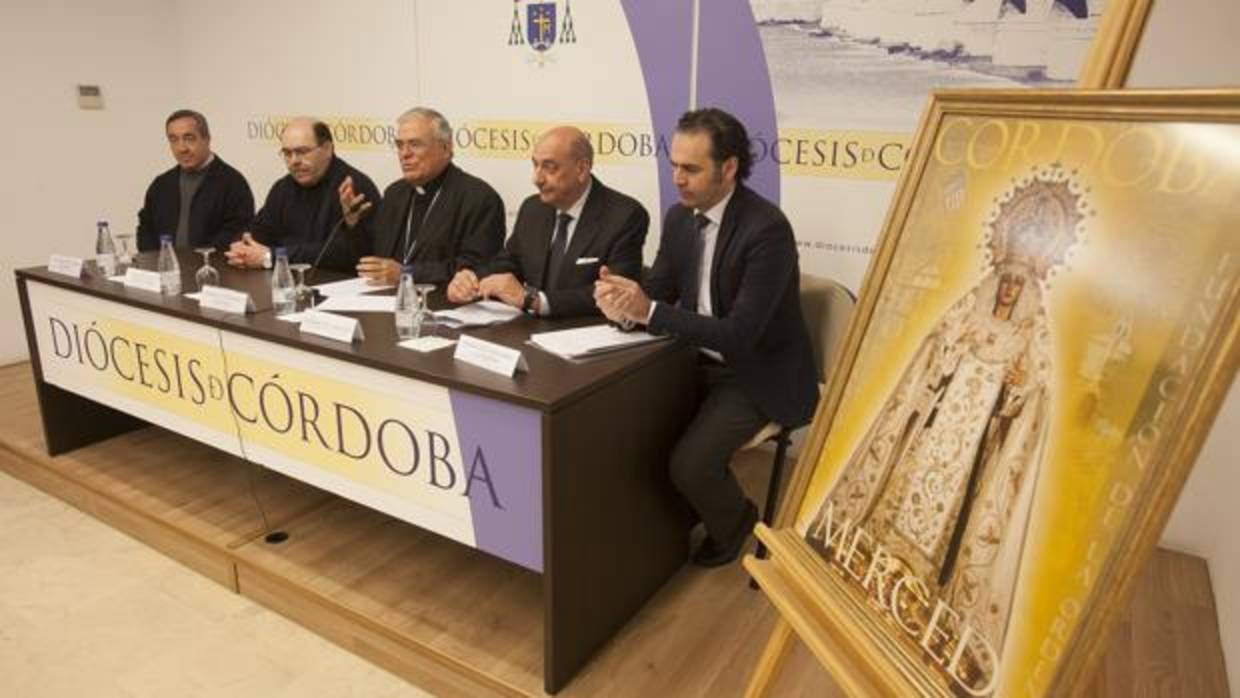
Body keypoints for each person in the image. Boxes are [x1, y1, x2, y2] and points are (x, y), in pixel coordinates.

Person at [804, 165, 1082, 675]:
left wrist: (1016, 394)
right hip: (937, 430)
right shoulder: (967, 311)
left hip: (974, 445)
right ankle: (880, 566)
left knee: (952, 517)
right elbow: (935, 352)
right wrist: (947, 362)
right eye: (1005, 281)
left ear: (1030, 286)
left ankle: (932, 597)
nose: (1007, 292)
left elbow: (1035, 397)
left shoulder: (1031, 336)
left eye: (1018, 285)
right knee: (906, 490)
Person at [594, 108, 818, 567]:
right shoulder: (680, 219)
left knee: (689, 464)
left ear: (729, 167)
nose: (677, 178)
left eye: (691, 168)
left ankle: (737, 523)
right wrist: (624, 305)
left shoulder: (767, 230)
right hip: (694, 360)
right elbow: (658, 294)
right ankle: (663, 531)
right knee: (625, 429)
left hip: (756, 372)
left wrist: (649, 311)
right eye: (674, 165)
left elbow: (738, 335)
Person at [446, 126, 648, 317]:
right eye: (535, 165)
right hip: (531, 333)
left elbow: (617, 293)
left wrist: (535, 301)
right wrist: (471, 279)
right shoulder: (533, 208)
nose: (537, 178)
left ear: (581, 169)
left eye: (550, 168)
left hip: (587, 336)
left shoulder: (624, 215)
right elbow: (509, 262)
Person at [338, 107, 504, 286]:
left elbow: (476, 269)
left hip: (443, 306)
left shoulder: (479, 198)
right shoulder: (395, 193)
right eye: (400, 145)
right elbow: (373, 260)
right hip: (388, 303)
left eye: (415, 144)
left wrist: (407, 273)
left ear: (446, 148)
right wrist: (353, 225)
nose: (404, 154)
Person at [226, 118, 379, 272]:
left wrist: (271, 257)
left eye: (302, 152)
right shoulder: (283, 188)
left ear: (327, 149)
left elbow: (341, 254)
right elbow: (260, 229)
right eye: (287, 153)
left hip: (337, 285)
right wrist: (242, 246)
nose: (294, 161)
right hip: (286, 283)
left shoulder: (353, 187)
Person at [137, 109, 254, 252]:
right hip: (166, 270)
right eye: (174, 140)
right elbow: (146, 229)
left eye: (189, 138)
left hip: (215, 271)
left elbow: (237, 234)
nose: (181, 148)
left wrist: (199, 261)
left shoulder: (233, 183)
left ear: (207, 139)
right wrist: (157, 261)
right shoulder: (161, 184)